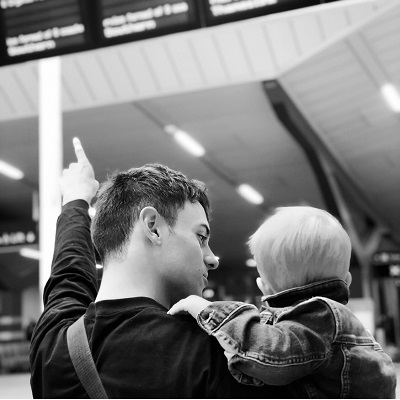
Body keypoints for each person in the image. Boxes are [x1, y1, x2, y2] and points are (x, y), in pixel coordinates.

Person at [29, 138, 300, 398]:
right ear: (153, 227)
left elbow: (67, 277)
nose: (212, 258)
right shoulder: (216, 352)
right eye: (201, 237)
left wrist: (75, 199)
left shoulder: (53, 345)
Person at [169, 206, 397, 398]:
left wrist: (207, 310)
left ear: (264, 287)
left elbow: (268, 354)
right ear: (346, 280)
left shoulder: (321, 315)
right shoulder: (336, 321)